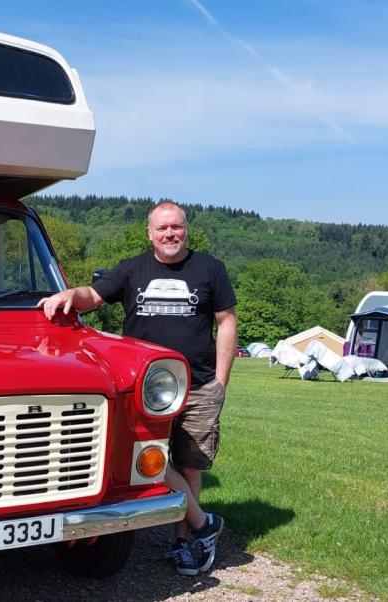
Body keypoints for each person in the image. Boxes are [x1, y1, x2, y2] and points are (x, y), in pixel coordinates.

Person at [38, 200, 237, 576]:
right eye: (162, 228)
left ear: (186, 229)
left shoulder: (210, 269)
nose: (169, 234)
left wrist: (221, 382)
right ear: (150, 233)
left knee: (190, 466)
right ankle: (204, 524)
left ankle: (183, 543)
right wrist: (68, 297)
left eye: (176, 227)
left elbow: (226, 322)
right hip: (145, 390)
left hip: (198, 386)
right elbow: (93, 296)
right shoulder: (132, 269)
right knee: (142, 460)